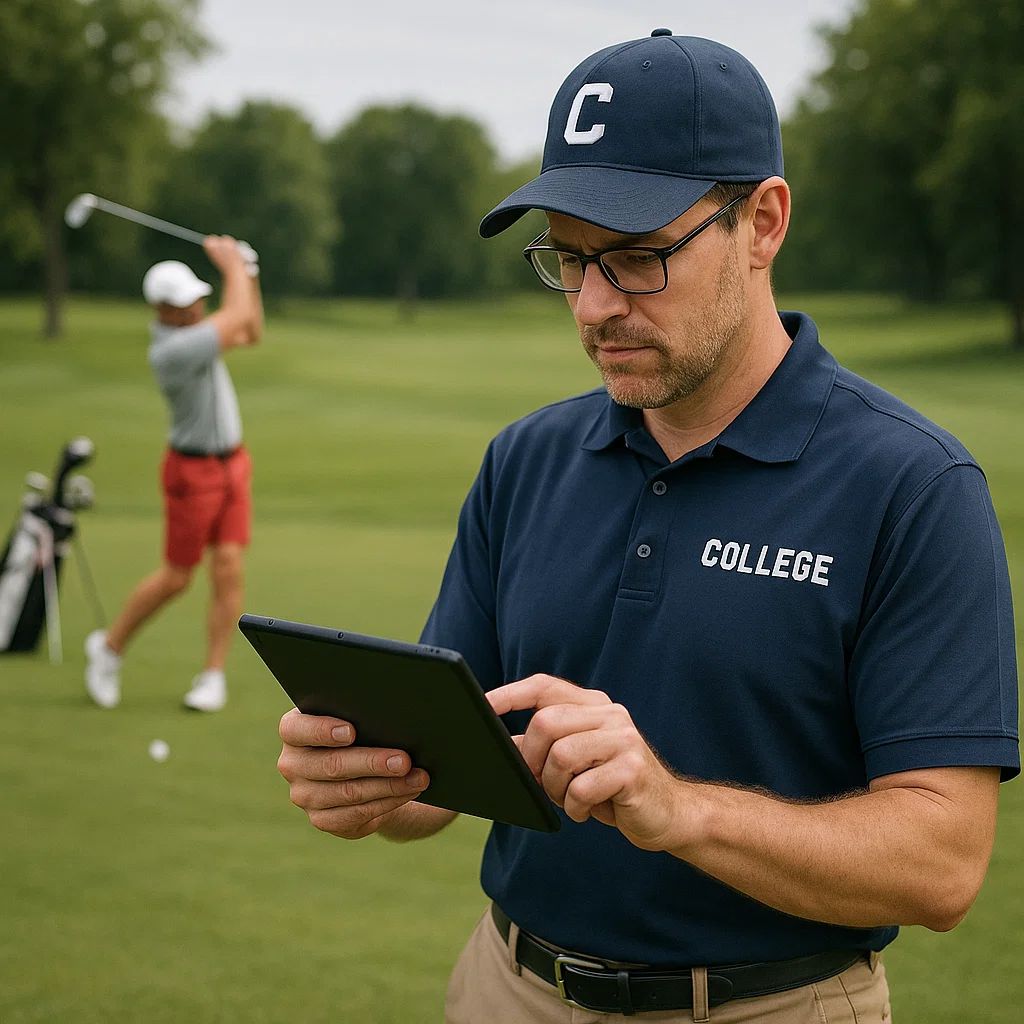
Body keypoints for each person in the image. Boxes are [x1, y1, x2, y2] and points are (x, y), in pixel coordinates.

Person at [276, 30, 1019, 1023]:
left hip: (773, 1005)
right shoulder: (525, 459)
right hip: (507, 986)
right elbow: (447, 776)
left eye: (635, 257)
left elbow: (941, 863)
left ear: (762, 221)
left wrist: (678, 810)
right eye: (570, 260)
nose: (594, 306)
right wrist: (370, 782)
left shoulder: (910, 484)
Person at [85, 236, 262, 712]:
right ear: (165, 310)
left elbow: (251, 329)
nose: (198, 307)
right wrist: (233, 268)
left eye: (199, 298)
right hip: (192, 472)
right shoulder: (173, 351)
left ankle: (212, 676)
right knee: (178, 577)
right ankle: (109, 648)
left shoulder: (196, 333)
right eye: (187, 303)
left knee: (228, 566)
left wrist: (251, 275)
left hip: (232, 465)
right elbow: (236, 317)